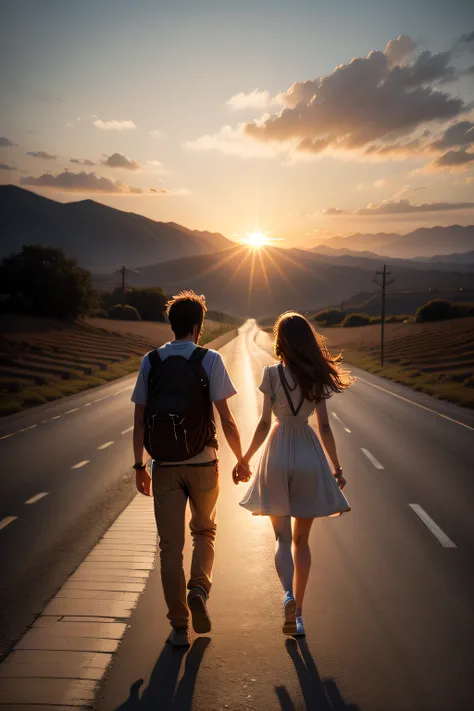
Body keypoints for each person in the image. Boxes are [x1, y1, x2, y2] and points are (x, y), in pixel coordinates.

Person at [132, 290, 250, 647]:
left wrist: (139, 466)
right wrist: (242, 459)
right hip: (203, 462)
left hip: (164, 465)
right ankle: (199, 587)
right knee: (204, 531)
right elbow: (226, 419)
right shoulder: (209, 359)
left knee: (170, 547)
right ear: (198, 326)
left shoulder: (150, 361)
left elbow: (138, 421)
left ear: (171, 325)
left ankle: (179, 626)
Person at [237, 311, 354, 636]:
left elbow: (263, 424)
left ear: (280, 341)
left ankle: (286, 595)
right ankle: (298, 615)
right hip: (307, 451)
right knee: (302, 542)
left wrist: (245, 459)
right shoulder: (315, 376)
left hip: (277, 452)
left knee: (282, 538)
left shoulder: (271, 374)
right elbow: (325, 426)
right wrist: (337, 468)